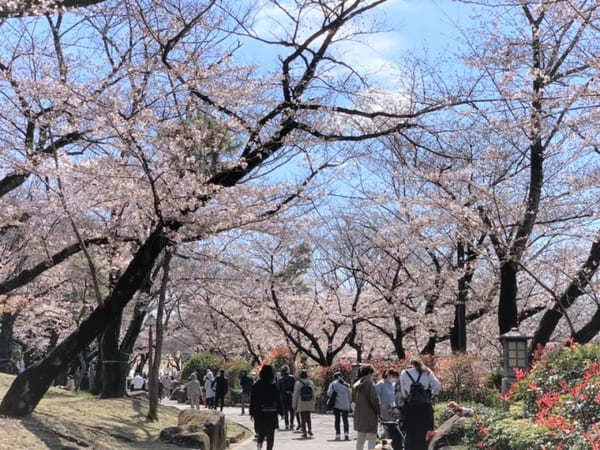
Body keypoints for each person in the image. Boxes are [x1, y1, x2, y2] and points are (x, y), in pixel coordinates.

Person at [399, 359, 441, 450]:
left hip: (410, 408)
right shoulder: (427, 371)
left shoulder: (404, 373)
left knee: (410, 434)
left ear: (411, 364)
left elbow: (403, 393)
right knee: (425, 434)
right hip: (425, 408)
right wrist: (430, 395)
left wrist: (409, 396)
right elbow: (438, 386)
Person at [250, 365, 282, 450]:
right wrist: (281, 411)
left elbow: (252, 400)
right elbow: (278, 400)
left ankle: (259, 446)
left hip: (259, 412)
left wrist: (252, 412)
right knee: (270, 435)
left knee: (261, 432)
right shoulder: (273, 386)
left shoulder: (256, 386)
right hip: (271, 412)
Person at [353, 365, 380, 450]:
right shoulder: (370, 384)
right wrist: (379, 411)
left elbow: (353, 399)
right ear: (369, 373)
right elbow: (374, 400)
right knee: (372, 438)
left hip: (359, 415)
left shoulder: (357, 384)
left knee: (360, 439)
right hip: (370, 415)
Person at [376, 369, 403, 450]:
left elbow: (393, 399)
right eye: (393, 377)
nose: (394, 379)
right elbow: (376, 398)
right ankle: (385, 447)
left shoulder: (392, 385)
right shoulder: (380, 384)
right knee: (387, 431)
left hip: (393, 412)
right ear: (388, 375)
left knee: (393, 432)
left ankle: (394, 447)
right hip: (384, 412)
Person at [327, 372, 352, 441]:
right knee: (345, 420)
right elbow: (350, 395)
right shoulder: (346, 384)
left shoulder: (332, 384)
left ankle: (338, 435)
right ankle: (346, 434)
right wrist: (349, 404)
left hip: (337, 405)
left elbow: (329, 394)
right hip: (345, 404)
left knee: (337, 420)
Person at [293, 370, 316, 439]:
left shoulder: (298, 383)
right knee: (308, 416)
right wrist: (314, 401)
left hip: (301, 401)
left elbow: (295, 394)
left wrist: (294, 404)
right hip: (309, 401)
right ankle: (310, 430)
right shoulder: (310, 382)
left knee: (302, 417)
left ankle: (304, 432)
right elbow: (313, 393)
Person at [276, 365, 296, 430]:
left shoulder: (280, 380)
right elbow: (295, 387)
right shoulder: (292, 378)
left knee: (285, 411)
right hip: (291, 395)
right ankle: (292, 423)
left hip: (283, 397)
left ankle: (287, 424)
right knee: (292, 410)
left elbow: (278, 389)